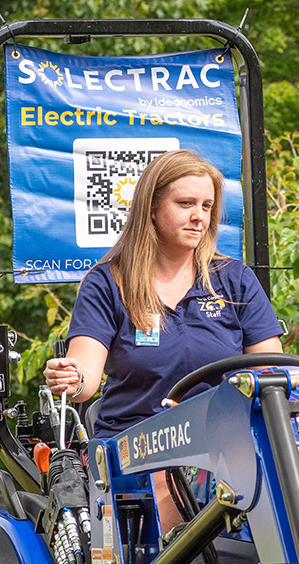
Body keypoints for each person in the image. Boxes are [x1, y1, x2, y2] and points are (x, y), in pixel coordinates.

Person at [44, 148, 285, 539]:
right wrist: (70, 377)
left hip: (222, 438)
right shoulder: (107, 283)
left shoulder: (234, 279)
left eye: (207, 206)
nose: (199, 217)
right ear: (152, 207)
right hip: (136, 445)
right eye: (186, 203)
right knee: (174, 481)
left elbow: (273, 372)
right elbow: (85, 374)